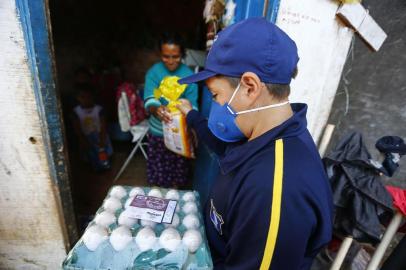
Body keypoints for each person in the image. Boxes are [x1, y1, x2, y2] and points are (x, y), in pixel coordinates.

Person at [177, 18, 333, 270]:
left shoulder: (275, 190)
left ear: (249, 87)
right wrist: (191, 115)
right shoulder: (260, 135)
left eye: (216, 95)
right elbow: (222, 146)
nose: (215, 105)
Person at [143, 33, 198, 188]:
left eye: (175, 56)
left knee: (178, 177)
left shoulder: (188, 75)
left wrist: (186, 111)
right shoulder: (154, 73)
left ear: (182, 54)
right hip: (158, 133)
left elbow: (193, 105)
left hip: (179, 134)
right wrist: (156, 109)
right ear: (160, 54)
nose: (171, 61)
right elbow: (150, 98)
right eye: (166, 56)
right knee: (158, 178)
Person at [72, 83, 113, 171]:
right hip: (85, 137)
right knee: (89, 154)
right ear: (77, 98)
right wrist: (82, 139)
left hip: (100, 135)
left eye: (89, 97)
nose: (86, 99)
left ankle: (104, 166)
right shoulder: (76, 111)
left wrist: (102, 139)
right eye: (82, 97)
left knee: (102, 152)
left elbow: (103, 125)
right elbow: (77, 128)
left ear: (93, 97)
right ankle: (92, 166)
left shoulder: (99, 109)